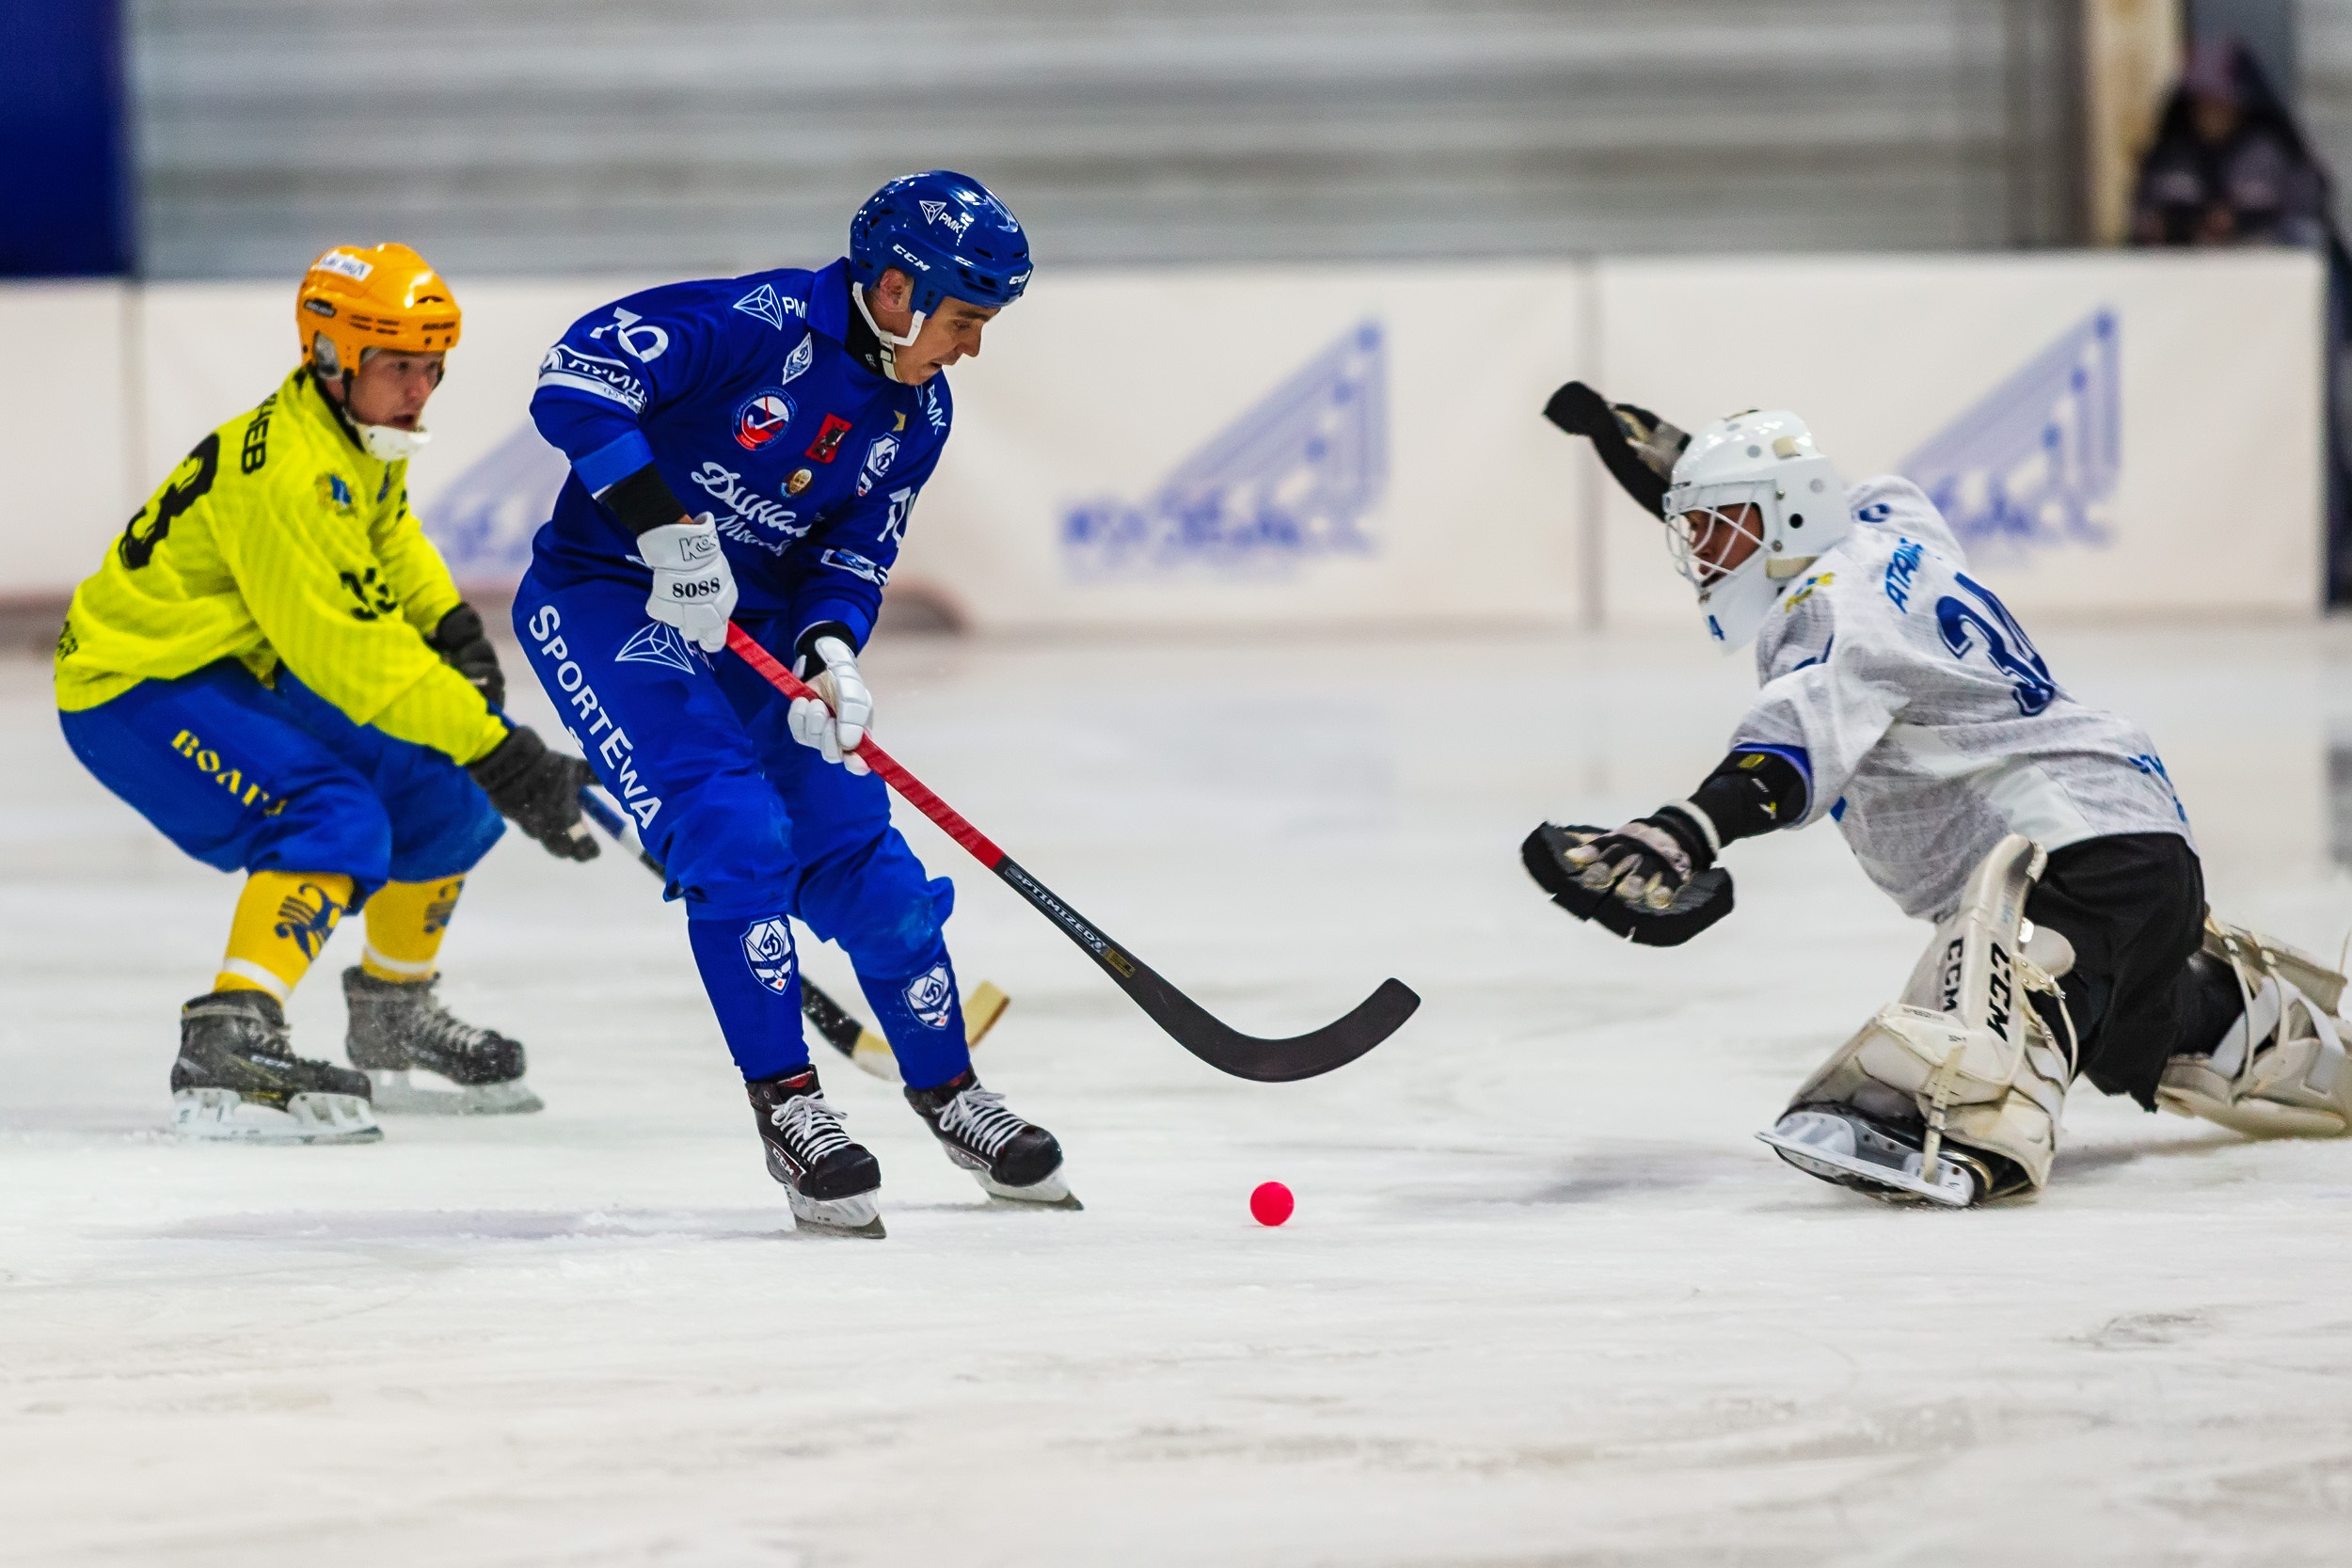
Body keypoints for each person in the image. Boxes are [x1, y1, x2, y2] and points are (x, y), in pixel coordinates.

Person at [1531, 384, 2352, 1207]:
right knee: (2147, 1026)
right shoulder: (1888, 525)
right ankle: (2273, 1034)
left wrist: (1681, 833)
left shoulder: (1830, 610)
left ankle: (1972, 1112)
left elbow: (1784, 752)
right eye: (1694, 526)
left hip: (2067, 853)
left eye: (1715, 525)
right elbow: (1802, 510)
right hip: (2130, 836)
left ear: (1781, 516)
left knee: (2019, 994)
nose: (1702, 553)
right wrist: (1687, 464)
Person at [515, 170, 1068, 1237]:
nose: (972, 346)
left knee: (871, 868)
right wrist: (667, 533)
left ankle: (951, 1096)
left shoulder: (919, 412)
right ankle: (792, 1107)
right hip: (606, 596)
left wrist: (829, 652)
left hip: (756, 630)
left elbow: (855, 550)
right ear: (898, 290)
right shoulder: (753, 323)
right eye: (965, 319)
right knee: (732, 828)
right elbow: (572, 383)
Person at [56, 244, 599, 1144]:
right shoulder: (294, 478)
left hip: (231, 661)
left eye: (432, 367)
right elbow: (353, 658)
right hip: (133, 682)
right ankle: (228, 1033)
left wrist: (451, 627)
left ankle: (393, 1007)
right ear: (329, 355)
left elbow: (389, 539)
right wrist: (500, 747)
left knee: (449, 794)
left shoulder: (353, 433)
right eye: (398, 366)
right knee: (332, 811)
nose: (419, 389)